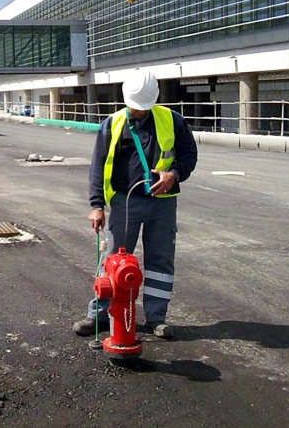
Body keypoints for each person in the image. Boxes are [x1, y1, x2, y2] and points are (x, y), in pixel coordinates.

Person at [73, 71, 197, 340]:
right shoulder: (113, 124)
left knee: (160, 261)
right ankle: (99, 315)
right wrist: (97, 205)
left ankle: (156, 318)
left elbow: (189, 155)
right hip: (124, 201)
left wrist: (173, 174)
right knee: (112, 262)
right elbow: (98, 166)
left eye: (143, 108)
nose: (138, 112)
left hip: (162, 203)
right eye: (134, 107)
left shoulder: (172, 121)